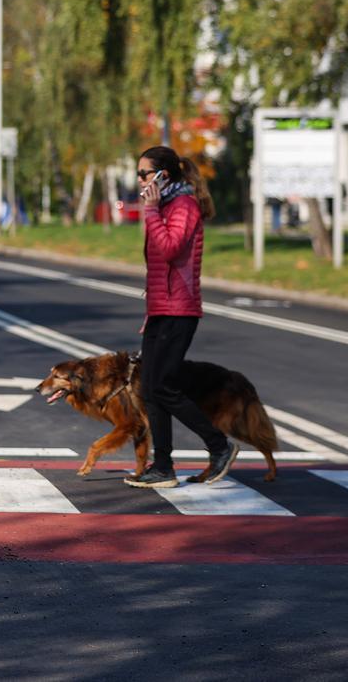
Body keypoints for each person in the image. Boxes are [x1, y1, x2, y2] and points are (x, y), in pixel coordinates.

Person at [124, 146, 238, 489]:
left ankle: (219, 446)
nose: (140, 180)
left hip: (180, 309)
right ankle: (163, 467)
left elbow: (171, 249)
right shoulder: (168, 206)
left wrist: (151, 211)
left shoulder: (183, 206)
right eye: (139, 174)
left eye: (145, 174)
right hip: (161, 308)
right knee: (150, 389)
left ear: (164, 176)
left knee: (163, 386)